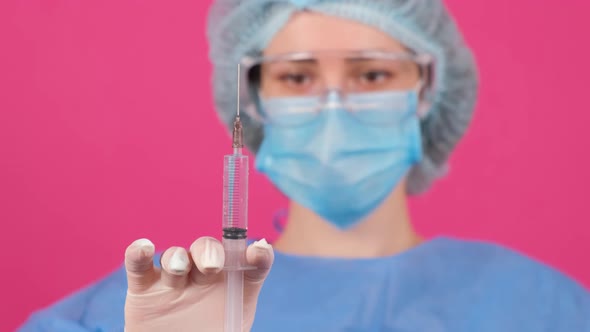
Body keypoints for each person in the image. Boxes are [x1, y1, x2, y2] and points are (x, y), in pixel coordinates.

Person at [19, 0, 590, 331]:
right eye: (297, 76)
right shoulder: (137, 310)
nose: (334, 104)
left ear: (428, 91)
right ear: (254, 97)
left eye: (372, 75)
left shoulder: (548, 309)